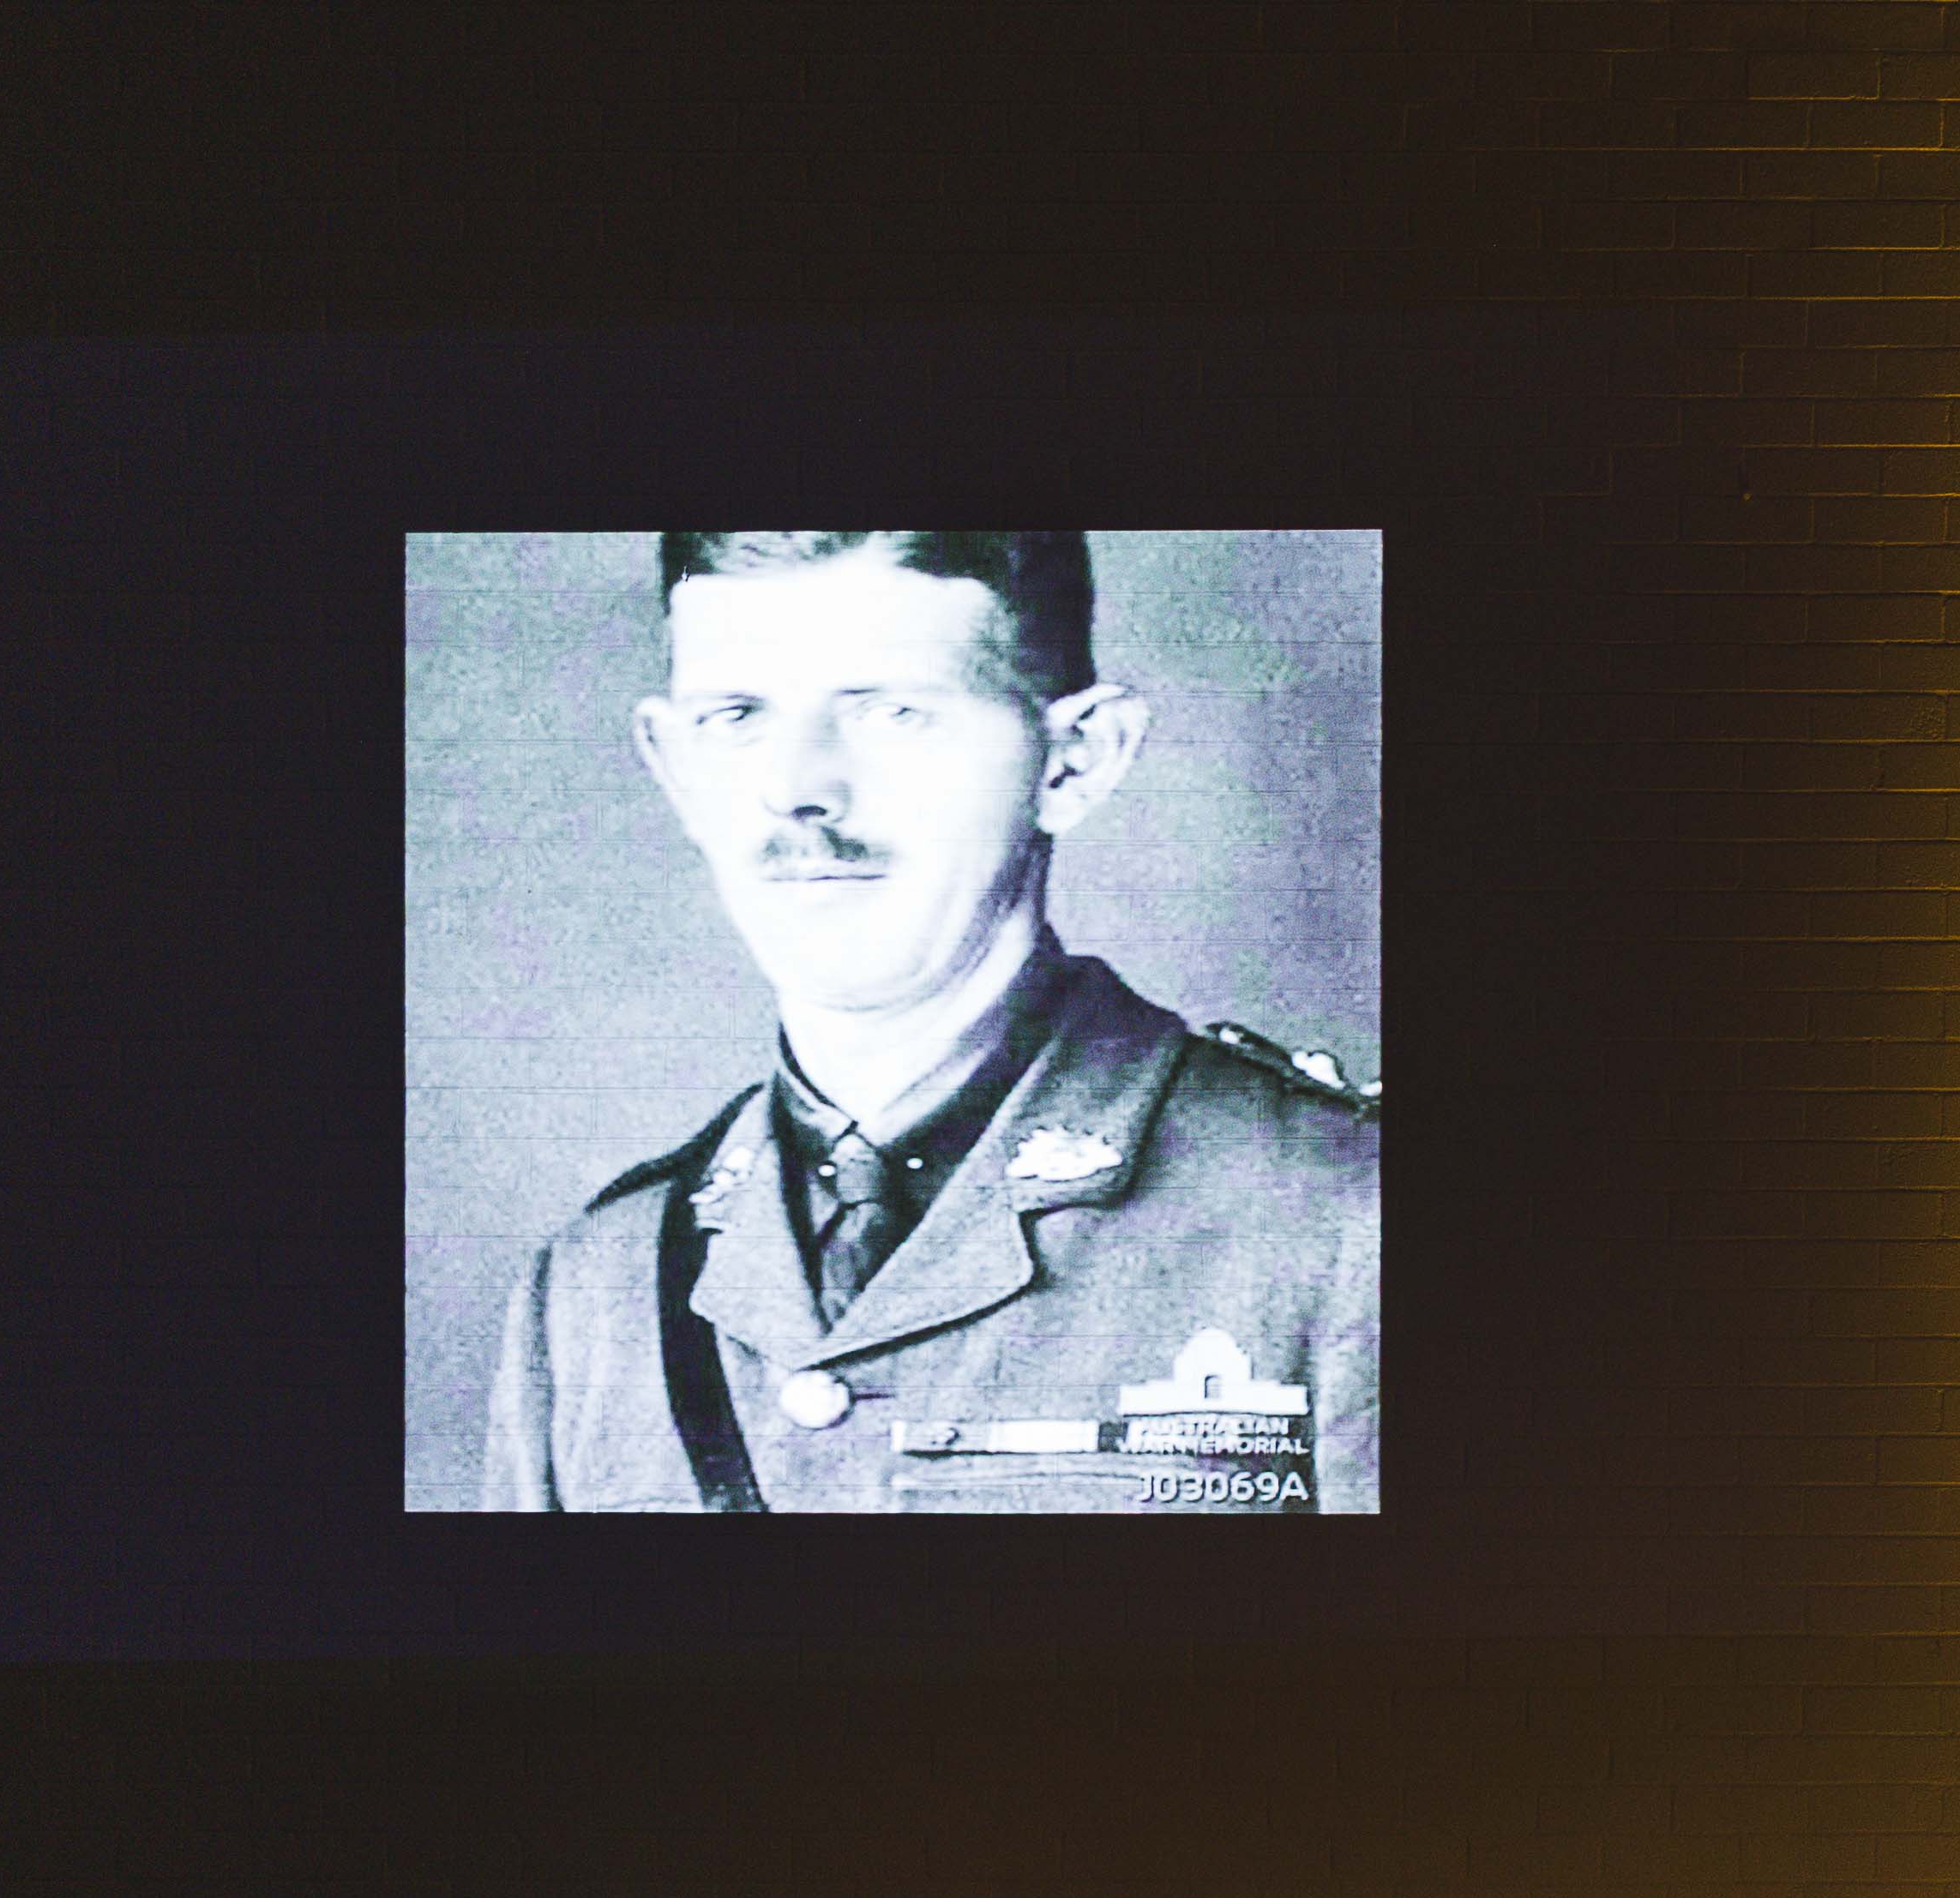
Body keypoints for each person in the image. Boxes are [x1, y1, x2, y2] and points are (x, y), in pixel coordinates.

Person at [480, 532, 1383, 1517]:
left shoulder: (1338, 1223)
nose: (799, 787)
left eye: (891, 712)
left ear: (1074, 761)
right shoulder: (593, 1290)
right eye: (736, 715)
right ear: (674, 764)